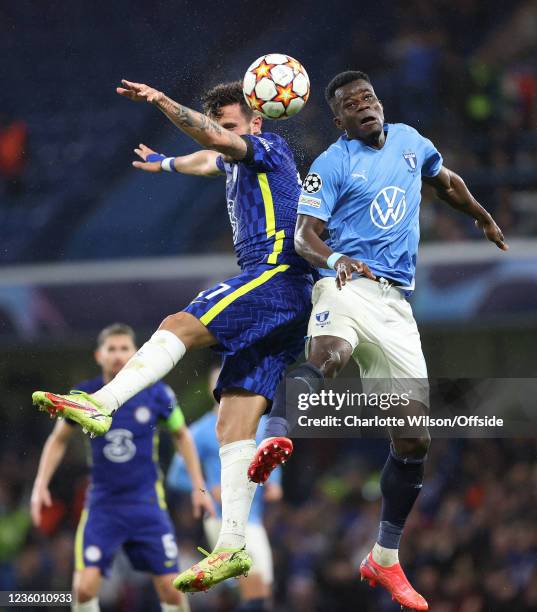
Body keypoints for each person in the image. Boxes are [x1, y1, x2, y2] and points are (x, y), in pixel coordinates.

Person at [32, 79, 313, 592]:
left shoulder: (267, 149)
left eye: (229, 125)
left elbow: (219, 144)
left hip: (276, 273)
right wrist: (165, 164)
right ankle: (232, 546)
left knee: (177, 325)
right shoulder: (232, 158)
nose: (220, 136)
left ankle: (103, 402)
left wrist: (165, 105)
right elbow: (207, 160)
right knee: (233, 424)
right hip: (287, 303)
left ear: (255, 123)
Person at [248, 70, 508, 610]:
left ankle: (384, 557)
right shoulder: (331, 164)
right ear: (338, 119)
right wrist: (338, 259)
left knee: (414, 439)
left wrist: (482, 215)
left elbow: (447, 181)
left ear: (380, 103)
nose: (364, 106)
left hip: (396, 306)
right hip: (344, 283)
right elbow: (304, 237)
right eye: (350, 104)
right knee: (330, 355)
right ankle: (273, 432)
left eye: (368, 97)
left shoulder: (412, 141)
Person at [31, 323, 214, 612]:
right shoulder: (83, 395)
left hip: (146, 505)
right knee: (83, 588)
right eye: (111, 349)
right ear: (98, 355)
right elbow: (58, 440)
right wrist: (40, 483)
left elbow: (182, 435)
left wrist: (199, 488)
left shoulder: (157, 394)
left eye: (124, 348)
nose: (118, 355)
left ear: (135, 354)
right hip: (103, 506)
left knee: (171, 589)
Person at [167, 366, 281, 612]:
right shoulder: (199, 431)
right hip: (223, 519)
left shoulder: (260, 424)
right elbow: (177, 476)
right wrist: (207, 489)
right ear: (213, 389)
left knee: (264, 595)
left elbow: (272, 456)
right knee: (254, 591)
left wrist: (275, 482)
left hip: (255, 518)